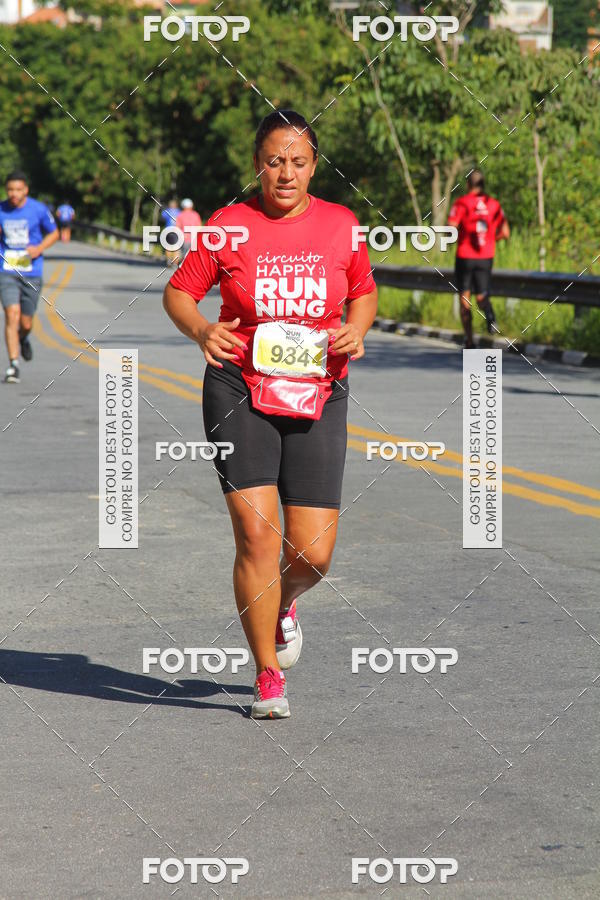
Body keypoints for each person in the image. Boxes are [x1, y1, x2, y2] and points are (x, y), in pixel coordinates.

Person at [163, 110, 378, 719]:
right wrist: (203, 327)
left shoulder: (342, 225)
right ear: (258, 163)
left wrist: (355, 331)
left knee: (312, 553)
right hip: (238, 388)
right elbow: (179, 292)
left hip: (317, 391)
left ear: (315, 165)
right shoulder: (228, 226)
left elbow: (361, 290)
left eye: (299, 161)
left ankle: (283, 603)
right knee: (256, 534)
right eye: (275, 160)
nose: (286, 173)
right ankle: (266, 674)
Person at [1, 171, 58, 384]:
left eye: (18, 189)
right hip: (6, 271)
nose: (14, 194)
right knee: (11, 313)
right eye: (10, 190)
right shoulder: (1, 209)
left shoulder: (38, 210)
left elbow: (54, 232)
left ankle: (23, 337)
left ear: (26, 190)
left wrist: (39, 248)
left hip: (31, 273)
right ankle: (13, 365)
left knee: (25, 322)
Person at [448, 170, 510, 349]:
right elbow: (505, 232)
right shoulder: (494, 205)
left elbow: (451, 228)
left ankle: (469, 341)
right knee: (482, 295)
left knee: (464, 299)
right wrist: (490, 238)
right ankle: (489, 315)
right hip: (486, 257)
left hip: (465, 257)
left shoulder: (461, 203)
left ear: (468, 185)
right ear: (483, 184)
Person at [160, 199, 181, 265]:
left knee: (168, 246)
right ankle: (175, 262)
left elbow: (162, 216)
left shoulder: (167, 211)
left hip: (168, 230)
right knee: (177, 247)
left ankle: (168, 260)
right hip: (177, 231)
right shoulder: (179, 212)